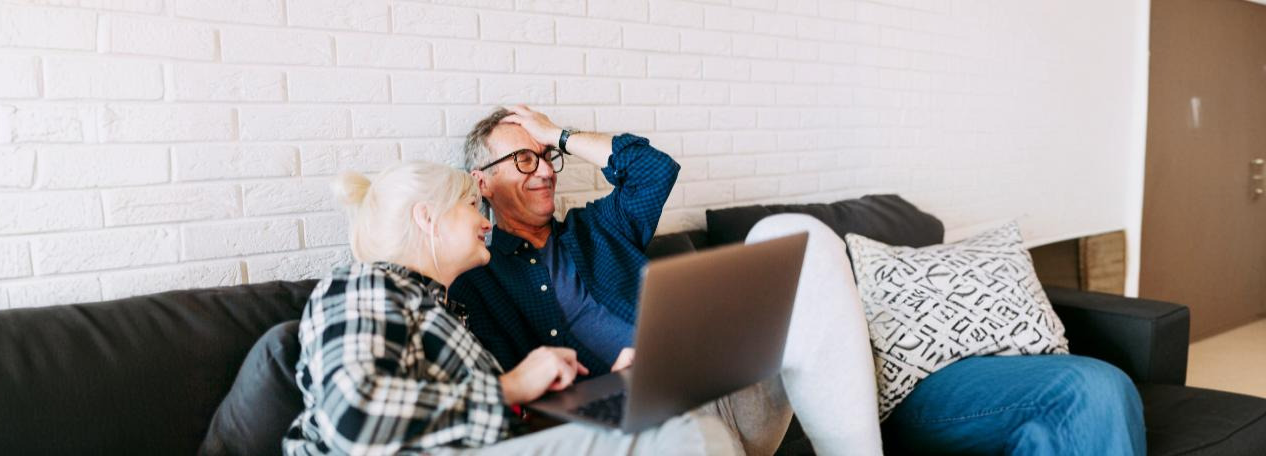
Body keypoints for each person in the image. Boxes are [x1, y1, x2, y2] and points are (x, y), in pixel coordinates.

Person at [449, 105, 1146, 455]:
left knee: (793, 235)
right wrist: (605, 385)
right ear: (481, 182)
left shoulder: (600, 229)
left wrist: (561, 133)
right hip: (641, 430)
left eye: (548, 158)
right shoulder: (473, 274)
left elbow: (653, 168)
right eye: (524, 160)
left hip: (723, 392)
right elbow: (500, 405)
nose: (543, 171)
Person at [278, 161, 739, 455]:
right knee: (691, 435)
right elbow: (354, 418)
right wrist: (512, 386)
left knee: (681, 422)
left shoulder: (441, 307)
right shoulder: (364, 283)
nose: (485, 221)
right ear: (427, 218)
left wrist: (611, 390)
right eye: (472, 206)